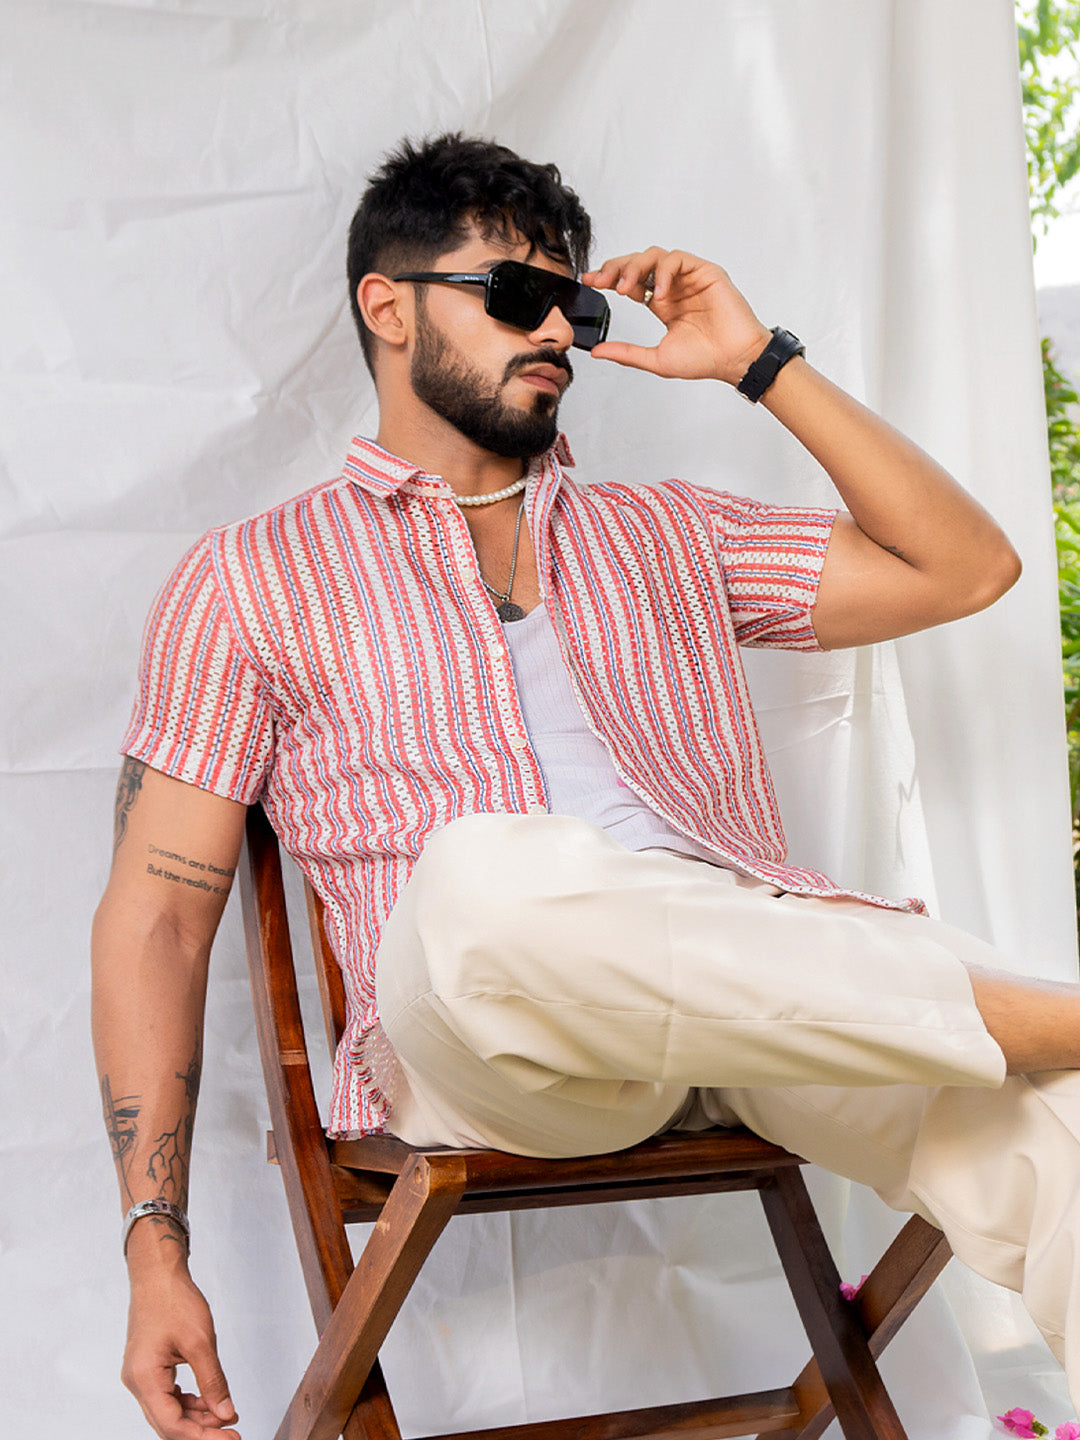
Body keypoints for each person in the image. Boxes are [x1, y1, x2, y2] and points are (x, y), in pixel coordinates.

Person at [92, 131, 1080, 1440]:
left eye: (577, 301)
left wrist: (758, 366)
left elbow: (966, 569)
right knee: (486, 874)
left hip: (760, 1019)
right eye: (514, 294)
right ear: (387, 306)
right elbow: (157, 917)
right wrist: (153, 1252)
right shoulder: (248, 579)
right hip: (495, 1033)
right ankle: (1023, 1007)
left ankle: (1036, 1032)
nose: (558, 325)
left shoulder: (670, 531)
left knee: (1054, 1125)